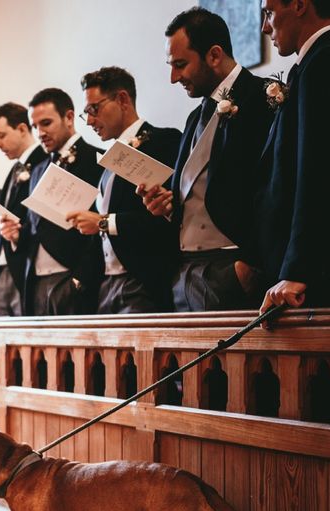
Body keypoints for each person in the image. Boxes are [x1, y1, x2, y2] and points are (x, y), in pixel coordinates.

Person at [142, 7, 273, 312]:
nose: (173, 78)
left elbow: (275, 188)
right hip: (184, 269)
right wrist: (168, 202)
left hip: (232, 269)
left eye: (180, 65)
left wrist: (252, 265)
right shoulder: (193, 117)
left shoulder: (262, 98)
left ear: (214, 55)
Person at [66, 67, 182, 313]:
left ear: (122, 99)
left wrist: (102, 222)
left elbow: (168, 217)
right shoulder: (107, 162)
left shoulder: (165, 141)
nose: (89, 121)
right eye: (85, 113)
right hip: (107, 284)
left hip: (143, 280)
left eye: (93, 109)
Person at [255, 0, 330, 313]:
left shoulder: (326, 61)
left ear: (300, 5)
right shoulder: (311, 65)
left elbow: (319, 172)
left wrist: (297, 270)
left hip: (318, 274)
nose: (266, 28)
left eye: (269, 12)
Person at [0, 88, 103, 316]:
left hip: (73, 279)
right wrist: (17, 234)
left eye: (46, 123)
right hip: (35, 280)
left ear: (69, 117)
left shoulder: (97, 159)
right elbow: (36, 228)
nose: (40, 132)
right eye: (35, 126)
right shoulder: (37, 170)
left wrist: (80, 280)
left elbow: (99, 227)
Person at [0, 102, 46, 316]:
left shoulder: (43, 160)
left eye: (1, 135)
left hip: (30, 263)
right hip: (10, 262)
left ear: (22, 129)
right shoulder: (15, 168)